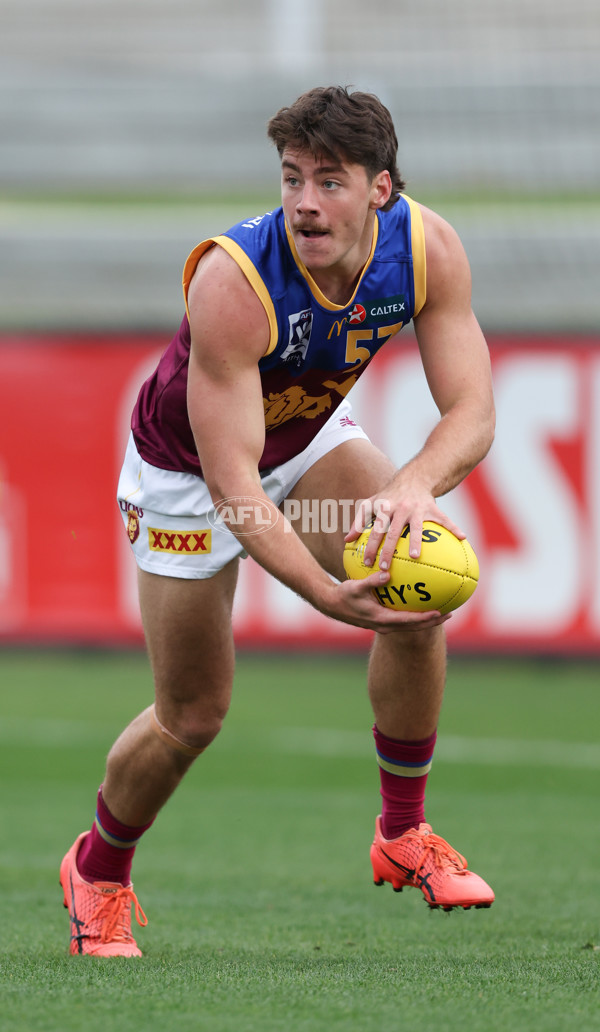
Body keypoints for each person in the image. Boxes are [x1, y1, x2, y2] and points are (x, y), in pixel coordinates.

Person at [60, 85, 496, 956]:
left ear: (380, 188)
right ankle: (98, 872)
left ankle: (401, 832)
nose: (303, 202)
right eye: (292, 178)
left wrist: (412, 485)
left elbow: (474, 411)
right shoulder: (235, 280)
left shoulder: (425, 249)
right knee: (194, 714)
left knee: (422, 582)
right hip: (187, 479)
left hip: (301, 443)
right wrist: (326, 596)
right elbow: (235, 488)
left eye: (329, 181)